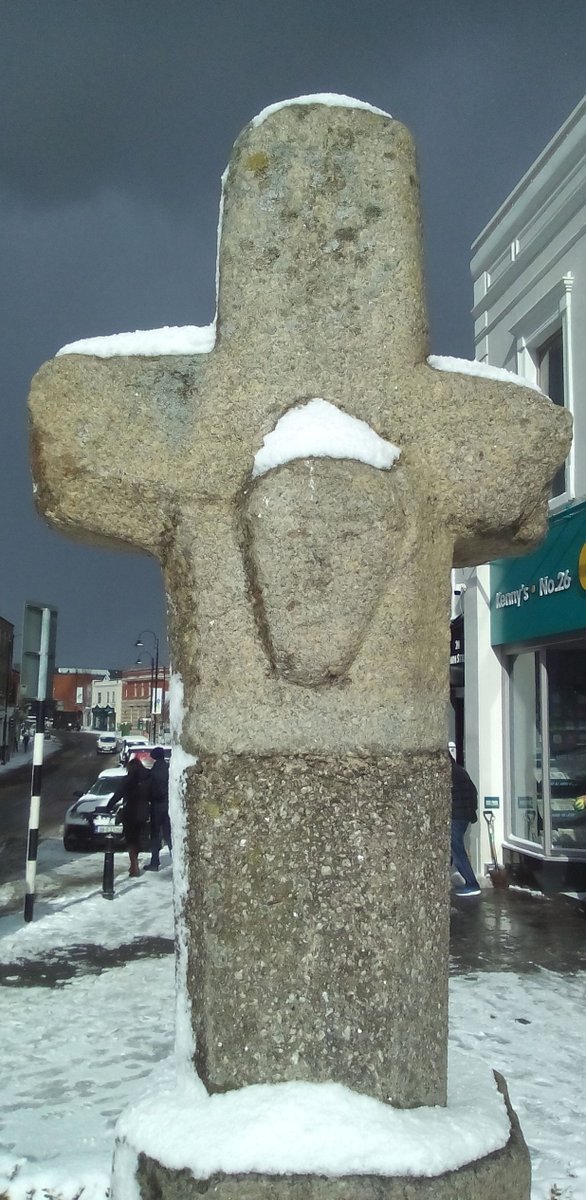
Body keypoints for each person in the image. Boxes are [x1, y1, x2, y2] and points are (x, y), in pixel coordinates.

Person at [111, 754, 151, 877]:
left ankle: (134, 865)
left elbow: (118, 794)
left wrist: (108, 806)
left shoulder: (128, 780)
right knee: (137, 838)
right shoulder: (148, 779)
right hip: (143, 813)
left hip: (131, 812)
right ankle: (133, 865)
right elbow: (154, 794)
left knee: (130, 839)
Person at [450, 755, 481, 897]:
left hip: (456, 816)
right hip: (464, 816)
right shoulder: (460, 771)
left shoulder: (448, 772)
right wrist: (471, 810)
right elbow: (473, 791)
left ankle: (472, 883)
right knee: (452, 847)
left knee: (456, 849)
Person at [144, 747, 172, 872]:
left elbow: (149, 789)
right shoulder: (168, 769)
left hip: (157, 806)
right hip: (169, 804)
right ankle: (176, 860)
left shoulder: (153, 771)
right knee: (169, 834)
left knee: (155, 835)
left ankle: (155, 862)